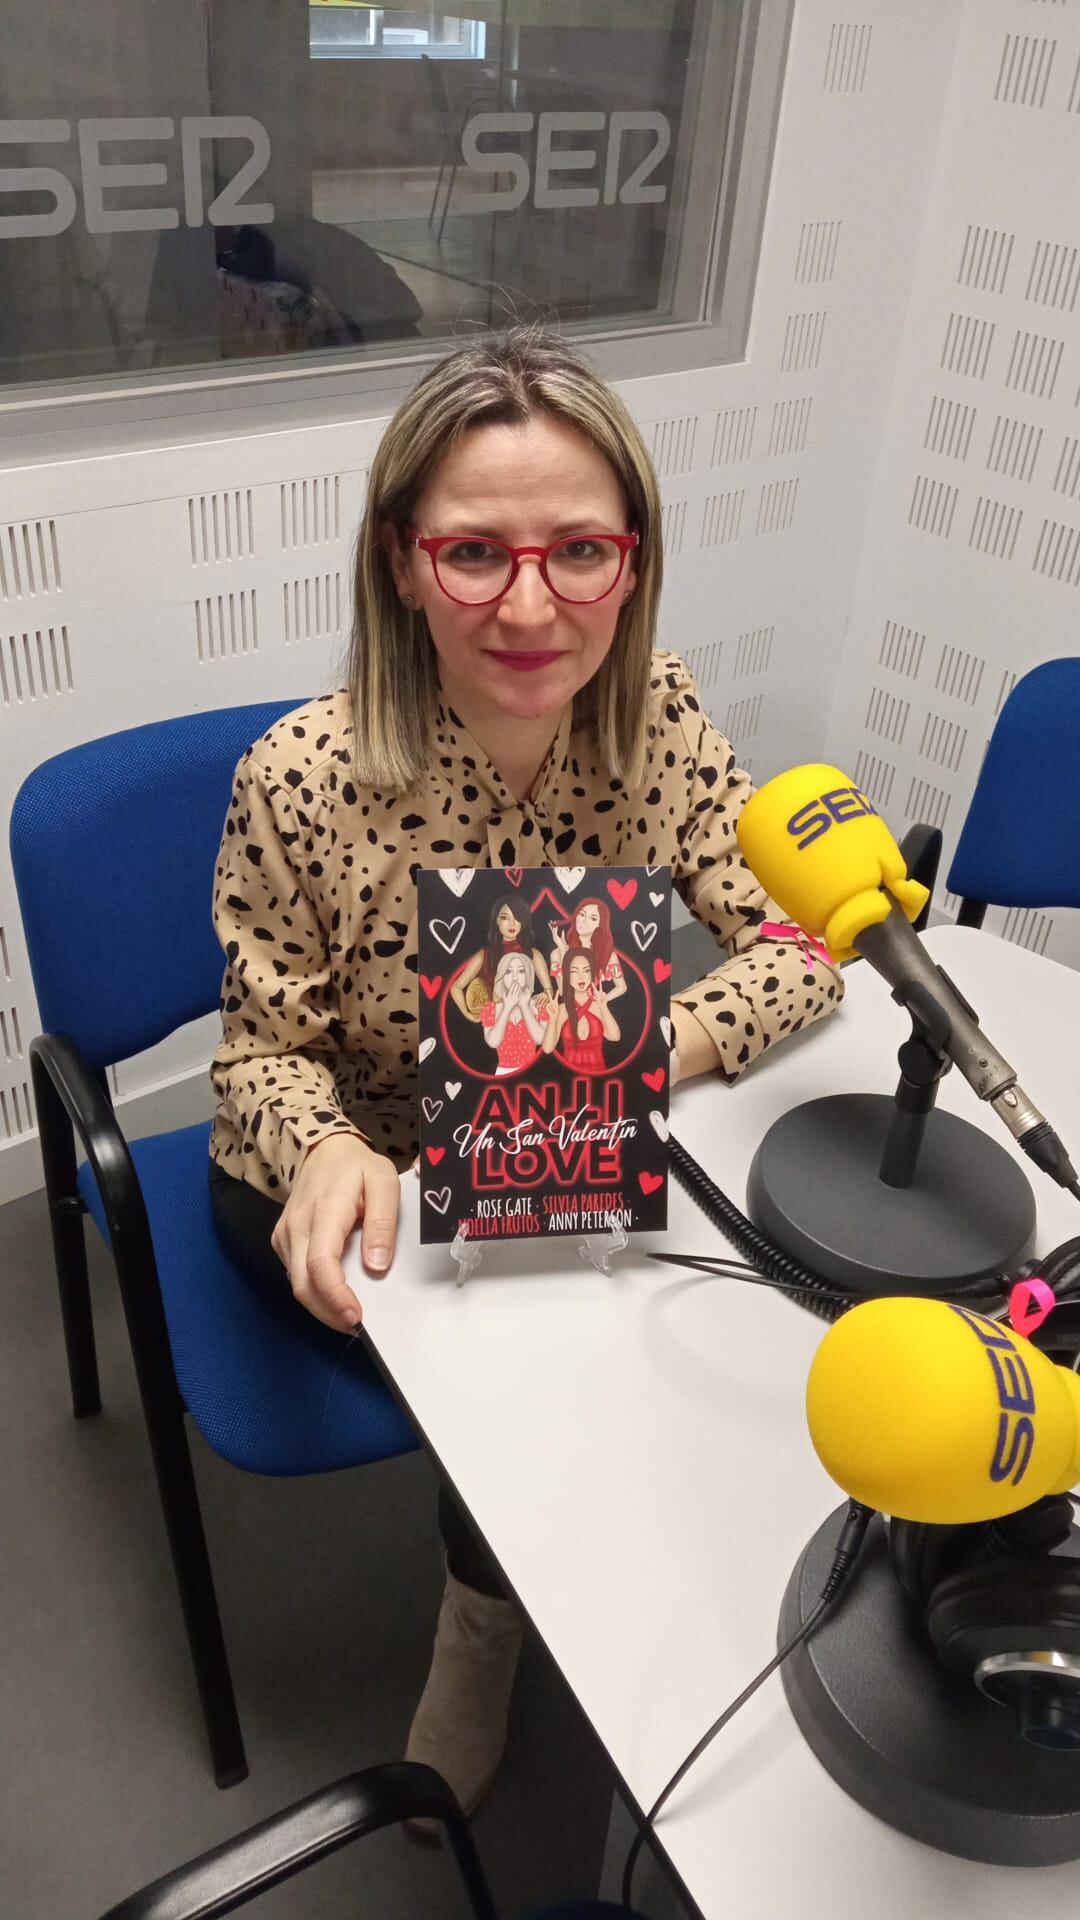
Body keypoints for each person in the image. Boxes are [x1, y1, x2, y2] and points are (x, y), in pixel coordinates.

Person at [207, 325, 844, 1828]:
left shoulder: (661, 719)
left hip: (572, 1121)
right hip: (362, 1160)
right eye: (477, 555)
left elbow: (811, 936)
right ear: (402, 561)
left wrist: (649, 1047)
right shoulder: (298, 777)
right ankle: (484, 1630)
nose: (532, 603)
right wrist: (318, 1155)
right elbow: (258, 1049)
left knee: (676, 1318)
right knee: (526, 1371)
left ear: (634, 563)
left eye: (579, 552)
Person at [449, 889, 553, 1021]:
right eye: (505, 917)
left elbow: (549, 990)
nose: (512, 923)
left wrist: (545, 994)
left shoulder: (533, 954)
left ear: (524, 921)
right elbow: (456, 987)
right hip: (497, 1020)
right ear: (497, 920)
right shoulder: (485, 955)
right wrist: (469, 1015)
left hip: (526, 1018)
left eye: (517, 917)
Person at [543, 949, 619, 1070]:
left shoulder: (598, 1006)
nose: (581, 976)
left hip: (599, 1075)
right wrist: (552, 1019)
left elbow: (614, 1037)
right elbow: (547, 1049)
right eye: (574, 971)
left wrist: (604, 1008)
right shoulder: (562, 1009)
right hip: (569, 1078)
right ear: (566, 975)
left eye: (586, 970)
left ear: (592, 973)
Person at [480, 950, 551, 1073]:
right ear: (501, 977)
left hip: (533, 1072)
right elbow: (493, 1042)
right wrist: (507, 1008)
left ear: (528, 975)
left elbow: (540, 1039)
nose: (514, 977)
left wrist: (524, 1006)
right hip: (503, 1072)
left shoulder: (539, 1005)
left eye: (521, 971)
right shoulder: (492, 1009)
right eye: (508, 972)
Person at [549, 895, 625, 1003]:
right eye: (582, 914)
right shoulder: (557, 953)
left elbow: (621, 987)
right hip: (569, 1012)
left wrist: (603, 1000)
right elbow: (563, 991)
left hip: (594, 1011)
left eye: (593, 918)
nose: (584, 921)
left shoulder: (607, 955)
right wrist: (563, 952)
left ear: (600, 924)